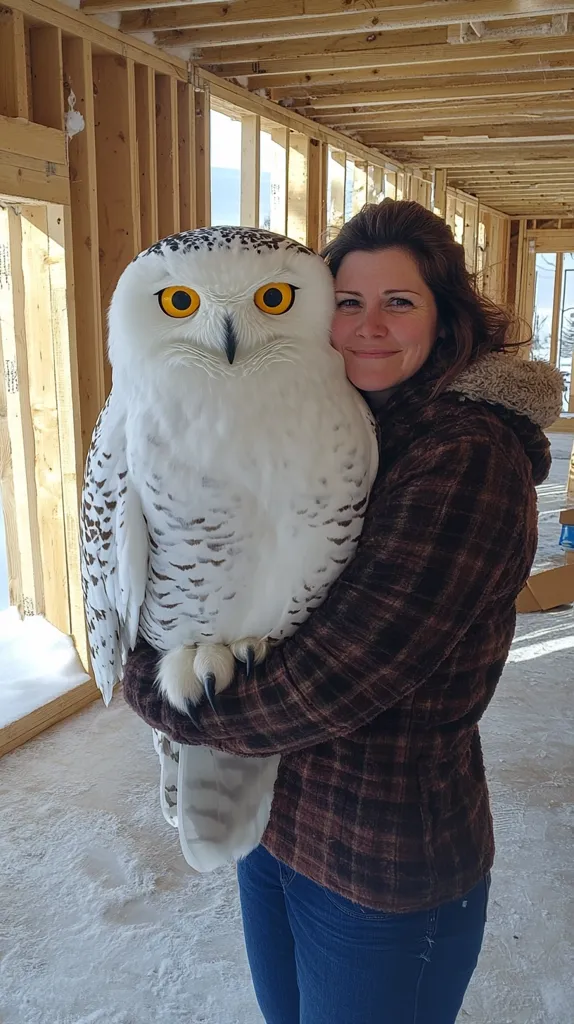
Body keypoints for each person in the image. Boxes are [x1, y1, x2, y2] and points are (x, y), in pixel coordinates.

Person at [122, 200, 563, 1024]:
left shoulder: (466, 454)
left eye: (400, 302)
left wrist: (155, 692)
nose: (367, 327)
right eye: (348, 302)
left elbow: (340, 677)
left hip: (384, 862)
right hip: (280, 821)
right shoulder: (352, 416)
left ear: (448, 316)